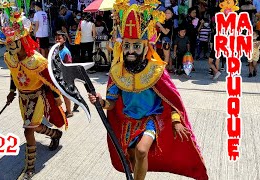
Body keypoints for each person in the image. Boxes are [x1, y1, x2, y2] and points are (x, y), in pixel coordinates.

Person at [88, 3, 207, 180]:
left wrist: (176, 121)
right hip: (128, 122)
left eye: (136, 46)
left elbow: (171, 99)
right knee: (131, 155)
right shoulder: (117, 72)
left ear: (146, 47)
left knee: (141, 151)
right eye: (127, 45)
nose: (130, 51)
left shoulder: (156, 71)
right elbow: (111, 104)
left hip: (150, 121)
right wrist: (101, 101)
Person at [0, 7, 68, 180]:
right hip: (22, 98)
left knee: (28, 131)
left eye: (11, 42)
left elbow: (51, 81)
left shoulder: (37, 61)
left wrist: (57, 97)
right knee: (34, 126)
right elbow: (13, 73)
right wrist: (11, 91)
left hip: (37, 97)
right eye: (6, 43)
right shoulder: (9, 57)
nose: (8, 47)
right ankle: (55, 134)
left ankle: (29, 169)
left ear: (22, 40)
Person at [55, 31, 74, 117]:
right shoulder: (55, 50)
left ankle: (69, 112)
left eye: (59, 39)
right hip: (56, 76)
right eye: (56, 39)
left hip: (64, 76)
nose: (57, 40)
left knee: (65, 95)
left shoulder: (66, 52)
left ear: (64, 40)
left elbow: (68, 65)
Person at [156, 7, 174, 72]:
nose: (167, 14)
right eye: (166, 13)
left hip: (166, 40)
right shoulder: (165, 21)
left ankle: (163, 70)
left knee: (166, 55)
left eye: (168, 13)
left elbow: (166, 32)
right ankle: (170, 67)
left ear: (172, 14)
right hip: (165, 39)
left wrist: (159, 25)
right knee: (168, 55)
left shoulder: (170, 22)